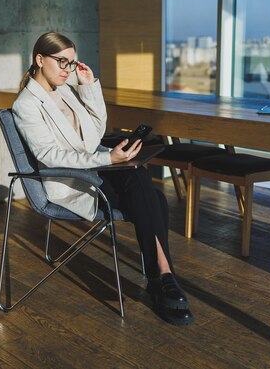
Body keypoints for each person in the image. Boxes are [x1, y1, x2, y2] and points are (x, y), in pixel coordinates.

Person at [12, 32, 194, 325]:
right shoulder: (27, 105)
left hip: (95, 170)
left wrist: (88, 88)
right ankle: (164, 278)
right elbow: (50, 157)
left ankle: (162, 278)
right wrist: (108, 159)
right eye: (61, 62)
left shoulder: (66, 90)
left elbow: (96, 133)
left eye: (71, 63)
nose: (67, 69)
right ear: (39, 59)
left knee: (142, 181)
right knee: (152, 195)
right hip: (72, 181)